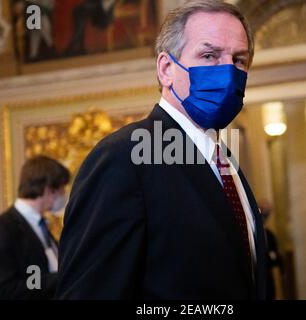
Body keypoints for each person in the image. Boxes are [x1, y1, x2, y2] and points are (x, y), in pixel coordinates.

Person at [56, 0, 267, 299]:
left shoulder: (226, 163)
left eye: (239, 60)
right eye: (209, 55)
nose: (228, 71)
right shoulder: (123, 158)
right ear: (166, 68)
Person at [0, 156, 70, 300]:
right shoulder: (1, 229)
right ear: (48, 189)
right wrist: (60, 277)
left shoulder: (41, 226)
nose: (63, 195)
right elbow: (3, 291)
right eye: (61, 189)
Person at [258, 201, 283, 300]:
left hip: (268, 276)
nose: (264, 215)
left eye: (267, 213)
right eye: (262, 211)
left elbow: (275, 254)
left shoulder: (270, 235)